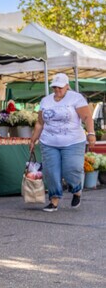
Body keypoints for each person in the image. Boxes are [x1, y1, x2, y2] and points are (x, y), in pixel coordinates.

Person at [29, 73, 97, 211]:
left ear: (67, 86)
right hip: (49, 141)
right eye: (55, 87)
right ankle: (54, 200)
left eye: (60, 87)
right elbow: (40, 123)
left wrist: (91, 133)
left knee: (71, 169)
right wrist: (33, 139)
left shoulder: (76, 98)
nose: (57, 90)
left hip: (73, 141)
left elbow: (87, 117)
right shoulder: (46, 101)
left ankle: (76, 190)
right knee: (51, 172)